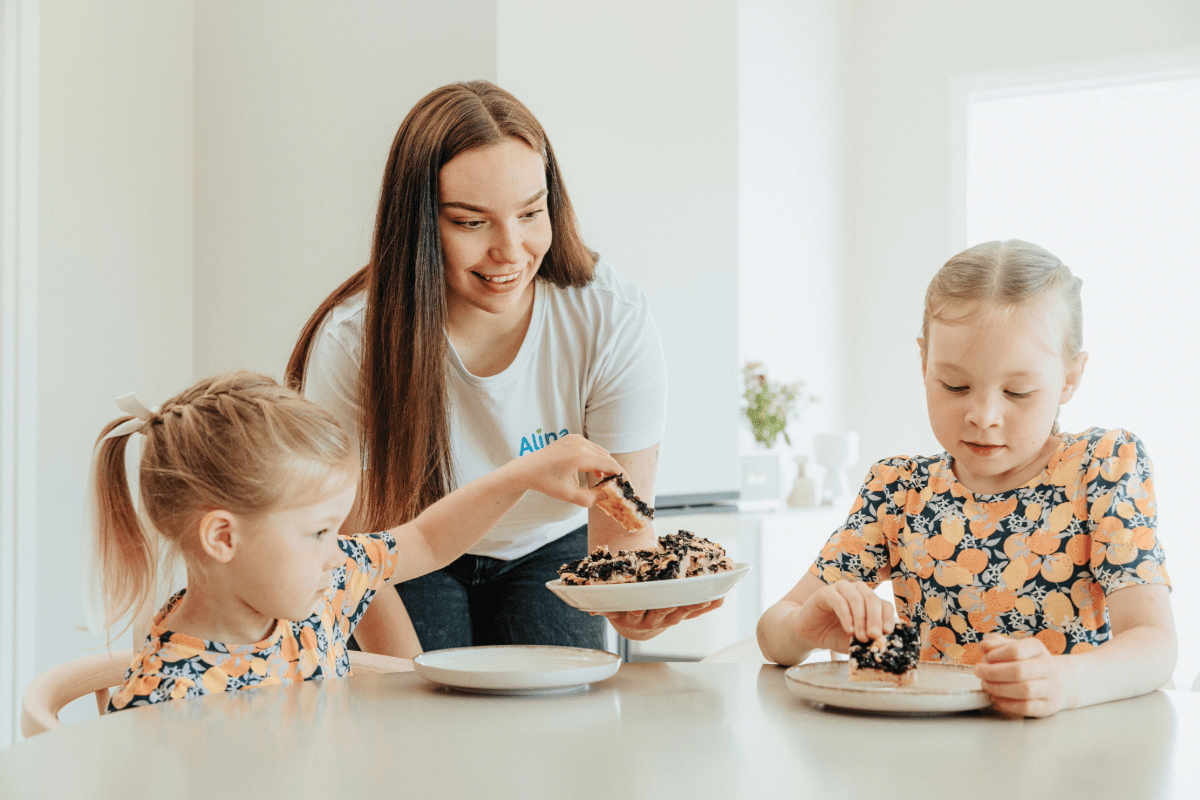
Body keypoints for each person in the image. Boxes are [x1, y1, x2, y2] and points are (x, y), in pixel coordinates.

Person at [287, 80, 716, 657]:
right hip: (406, 548)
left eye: (531, 213)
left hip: (551, 544)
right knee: (427, 727)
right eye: (471, 222)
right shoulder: (354, 340)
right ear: (419, 224)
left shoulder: (609, 317)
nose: (511, 250)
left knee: (553, 720)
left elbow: (623, 533)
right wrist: (407, 693)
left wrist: (638, 612)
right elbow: (354, 552)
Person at [756, 240, 1176, 717]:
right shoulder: (897, 489)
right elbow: (774, 630)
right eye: (955, 386)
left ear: (1069, 379)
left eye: (1017, 392)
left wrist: (1062, 681)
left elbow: (1155, 644)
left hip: (1066, 755)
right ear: (923, 364)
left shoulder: (1101, 466)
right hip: (931, 759)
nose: (984, 415)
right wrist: (802, 629)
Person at [87, 371, 621, 710]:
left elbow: (427, 540)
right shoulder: (166, 695)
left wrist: (521, 475)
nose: (336, 550)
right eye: (318, 532)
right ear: (223, 537)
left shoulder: (319, 594)